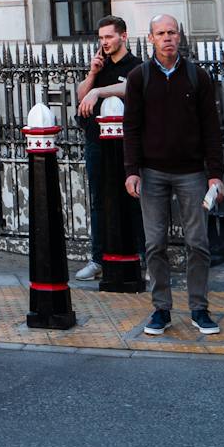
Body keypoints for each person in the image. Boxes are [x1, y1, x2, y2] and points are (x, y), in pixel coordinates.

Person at [123, 14, 224, 338]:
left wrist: (215, 175)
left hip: (192, 173)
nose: (167, 38)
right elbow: (132, 129)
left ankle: (198, 307)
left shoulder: (198, 77)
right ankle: (161, 308)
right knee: (155, 244)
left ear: (180, 36)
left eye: (172, 32)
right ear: (150, 38)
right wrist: (132, 171)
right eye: (160, 33)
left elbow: (211, 127)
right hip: (152, 173)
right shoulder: (140, 77)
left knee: (198, 243)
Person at [73, 15, 140, 280]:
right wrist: (92, 75)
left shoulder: (136, 66)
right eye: (101, 38)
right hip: (96, 143)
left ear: (123, 36)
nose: (105, 42)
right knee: (99, 201)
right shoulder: (99, 68)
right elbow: (80, 97)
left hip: (126, 146)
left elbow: (132, 87)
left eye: (109, 37)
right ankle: (98, 258)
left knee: (132, 199)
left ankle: (141, 256)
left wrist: (100, 92)